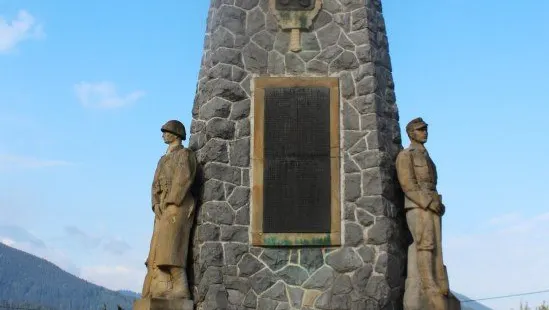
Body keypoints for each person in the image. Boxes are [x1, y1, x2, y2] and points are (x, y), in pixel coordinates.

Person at [396, 117, 451, 308]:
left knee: (436, 245)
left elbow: (431, 183)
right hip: (418, 206)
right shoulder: (406, 155)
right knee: (424, 243)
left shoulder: (427, 156)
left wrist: (436, 202)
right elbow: (407, 184)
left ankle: (438, 280)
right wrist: (427, 202)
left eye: (425, 129)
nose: (424, 132)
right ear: (411, 133)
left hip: (432, 205)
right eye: (420, 130)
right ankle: (428, 284)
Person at [141, 120, 197, 299]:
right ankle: (162, 285)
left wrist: (171, 200)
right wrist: (156, 203)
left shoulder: (184, 154)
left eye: (166, 131)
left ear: (176, 134)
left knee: (172, 246)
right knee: (157, 248)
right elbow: (154, 184)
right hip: (162, 207)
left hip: (176, 206)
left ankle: (180, 287)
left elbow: (184, 178)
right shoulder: (162, 159)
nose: (163, 134)